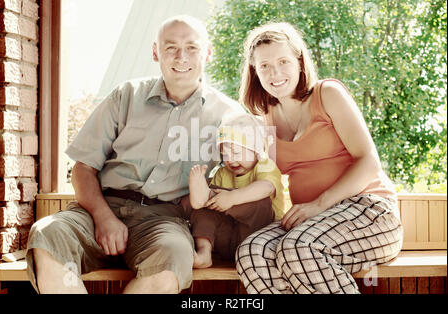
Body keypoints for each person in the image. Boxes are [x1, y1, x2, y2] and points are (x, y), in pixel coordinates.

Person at [25, 15, 244, 294]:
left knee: (175, 256)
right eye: (170, 47)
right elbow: (83, 168)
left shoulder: (228, 114)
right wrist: (104, 217)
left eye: (192, 47)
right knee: (47, 233)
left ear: (208, 52)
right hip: (100, 208)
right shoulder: (125, 96)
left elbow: (248, 174)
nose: (181, 56)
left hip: (165, 219)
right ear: (155, 52)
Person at [235, 22, 403, 294]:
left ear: (300, 63)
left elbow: (369, 161)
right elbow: (253, 173)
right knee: (252, 252)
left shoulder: (328, 95)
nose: (274, 73)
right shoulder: (264, 119)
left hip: (370, 213)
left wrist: (318, 205)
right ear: (254, 71)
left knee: (298, 248)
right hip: (314, 224)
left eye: (283, 61)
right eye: (264, 66)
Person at [188, 112, 284, 268]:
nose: (230, 159)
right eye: (224, 154)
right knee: (206, 208)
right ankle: (204, 252)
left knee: (261, 202)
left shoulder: (264, 166)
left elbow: (267, 187)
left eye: (237, 152)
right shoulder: (222, 173)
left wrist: (232, 198)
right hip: (227, 241)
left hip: (259, 238)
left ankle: (209, 195)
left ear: (256, 150)